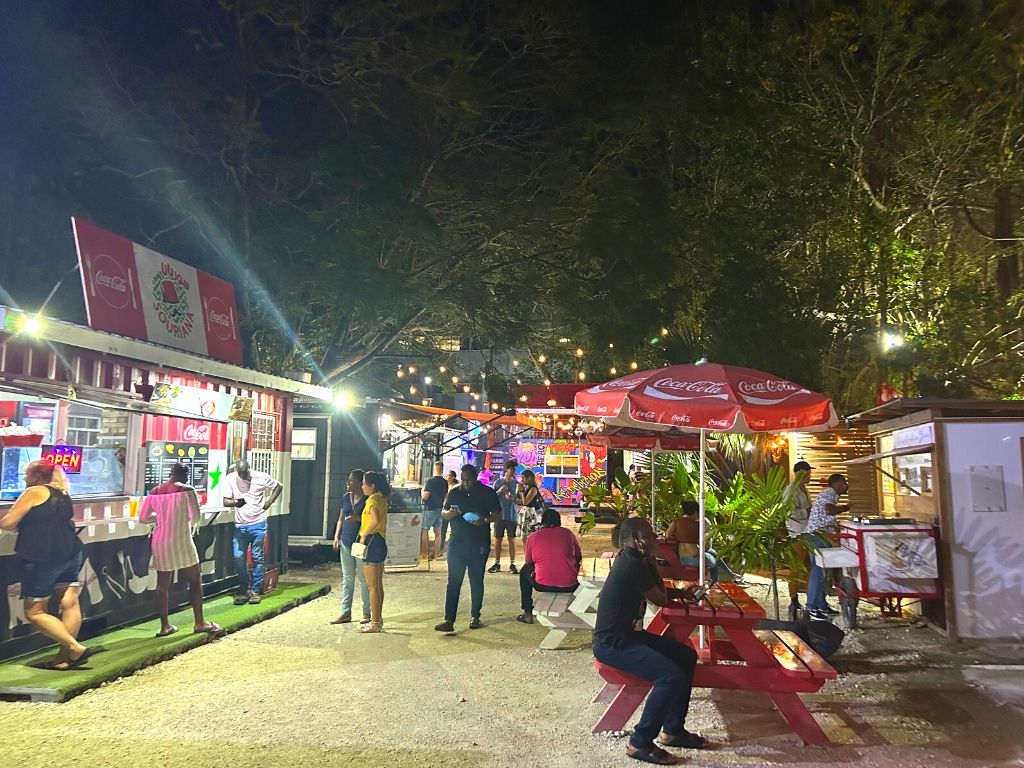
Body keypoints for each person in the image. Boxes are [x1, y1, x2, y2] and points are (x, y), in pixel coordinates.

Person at [593, 517, 708, 764]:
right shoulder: (633, 563)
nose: (657, 538)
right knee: (669, 676)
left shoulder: (633, 558)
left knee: (686, 656)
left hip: (630, 636)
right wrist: (653, 559)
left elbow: (658, 593)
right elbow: (660, 599)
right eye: (651, 535)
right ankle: (639, 742)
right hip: (613, 643)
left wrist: (681, 593)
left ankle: (672, 730)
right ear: (638, 540)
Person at [0, 461, 98, 670]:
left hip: (42, 557)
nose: (25, 479)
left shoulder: (33, 491)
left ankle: (74, 646)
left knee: (34, 612)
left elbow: (8, 523)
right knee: (70, 601)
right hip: (71, 552)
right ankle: (64, 658)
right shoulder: (63, 493)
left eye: (26, 475)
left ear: (36, 476)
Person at [139, 463, 220, 637]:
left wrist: (161, 516)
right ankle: (199, 622)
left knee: (162, 584)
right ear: (185, 475)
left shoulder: (155, 492)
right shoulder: (187, 490)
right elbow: (195, 516)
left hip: (160, 541)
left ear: (171, 474)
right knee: (195, 581)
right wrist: (179, 516)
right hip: (182, 539)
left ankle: (165, 626)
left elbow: (143, 517)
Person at [435, 464, 501, 633]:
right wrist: (448, 515)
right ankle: (449, 619)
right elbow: (443, 512)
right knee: (453, 581)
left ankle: (475, 616)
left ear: (475, 477)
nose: (466, 483)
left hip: (478, 543)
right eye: (463, 480)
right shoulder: (454, 492)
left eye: (469, 480)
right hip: (457, 542)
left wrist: (484, 520)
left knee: (476, 579)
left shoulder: (487, 492)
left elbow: (497, 514)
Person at [222, 460, 283, 605]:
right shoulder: (230, 479)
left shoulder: (260, 477)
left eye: (245, 473)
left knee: (257, 556)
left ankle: (254, 590)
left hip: (258, 524)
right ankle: (244, 589)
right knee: (238, 556)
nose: (243, 477)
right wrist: (236, 502)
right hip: (240, 525)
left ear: (250, 469)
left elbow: (278, 486)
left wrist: (268, 503)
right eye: (240, 474)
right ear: (236, 471)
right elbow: (225, 501)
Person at [517, 509, 582, 623]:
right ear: (559, 521)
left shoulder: (533, 537)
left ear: (542, 522)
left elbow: (529, 561)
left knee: (524, 571)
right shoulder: (568, 533)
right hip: (570, 584)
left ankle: (527, 612)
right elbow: (578, 556)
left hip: (542, 584)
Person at [665, 500, 743, 583]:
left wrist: (679, 536)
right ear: (695, 511)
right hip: (695, 559)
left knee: (713, 554)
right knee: (715, 559)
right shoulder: (697, 525)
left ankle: (727, 577)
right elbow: (706, 547)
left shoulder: (677, 521)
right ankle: (716, 581)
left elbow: (668, 535)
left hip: (682, 558)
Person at [804, 473, 849, 620]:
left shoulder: (830, 494)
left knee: (822, 572)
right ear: (836, 483)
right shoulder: (829, 493)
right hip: (816, 537)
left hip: (820, 536)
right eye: (843, 482)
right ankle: (811, 606)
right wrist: (845, 508)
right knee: (818, 572)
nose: (845, 485)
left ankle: (821, 605)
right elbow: (829, 510)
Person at [331, 470, 370, 625]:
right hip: (346, 540)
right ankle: (345, 611)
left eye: (351, 481)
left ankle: (366, 612)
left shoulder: (368, 500)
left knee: (363, 578)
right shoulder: (346, 497)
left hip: (360, 542)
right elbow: (341, 518)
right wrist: (336, 536)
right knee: (348, 578)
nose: (348, 483)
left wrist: (358, 518)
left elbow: (372, 519)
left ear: (361, 483)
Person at [357, 470, 389, 633]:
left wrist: (363, 536)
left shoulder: (372, 500)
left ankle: (375, 622)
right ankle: (378, 618)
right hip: (380, 541)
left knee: (372, 586)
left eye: (364, 484)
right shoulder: (382, 498)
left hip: (372, 542)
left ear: (372, 486)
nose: (362, 487)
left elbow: (374, 520)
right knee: (377, 584)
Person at [786, 461, 813, 614]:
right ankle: (793, 598)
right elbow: (789, 513)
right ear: (800, 473)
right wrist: (807, 512)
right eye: (808, 473)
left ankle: (812, 598)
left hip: (807, 532)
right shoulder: (791, 491)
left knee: (809, 567)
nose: (810, 476)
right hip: (796, 533)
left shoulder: (804, 489)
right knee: (796, 568)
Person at [489, 459, 520, 574]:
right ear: (507, 469)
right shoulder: (498, 482)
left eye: (515, 470)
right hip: (499, 516)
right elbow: (492, 498)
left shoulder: (516, 484)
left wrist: (511, 496)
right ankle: (497, 563)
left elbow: (519, 499)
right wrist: (500, 491)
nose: (513, 472)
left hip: (512, 515)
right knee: (498, 539)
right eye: (512, 469)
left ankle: (512, 563)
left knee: (512, 539)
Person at [420, 462, 448, 560]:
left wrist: (422, 491)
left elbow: (425, 497)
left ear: (434, 468)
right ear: (442, 469)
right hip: (440, 508)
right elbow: (445, 496)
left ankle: (424, 554)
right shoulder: (445, 482)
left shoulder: (430, 481)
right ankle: (435, 554)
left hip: (430, 509)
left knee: (424, 531)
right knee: (438, 533)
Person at [513, 469, 544, 540]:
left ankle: (528, 551)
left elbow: (525, 502)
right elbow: (522, 501)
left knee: (527, 537)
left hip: (529, 514)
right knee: (524, 538)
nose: (522, 480)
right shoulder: (529, 488)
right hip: (525, 513)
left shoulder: (533, 489)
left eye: (523, 478)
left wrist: (522, 491)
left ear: (529, 478)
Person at [438, 469, 459, 558]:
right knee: (443, 529)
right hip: (445, 509)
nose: (447, 477)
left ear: (453, 477)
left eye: (449, 475)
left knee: (454, 529)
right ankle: (441, 549)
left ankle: (453, 548)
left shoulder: (457, 486)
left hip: (454, 509)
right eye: (446, 475)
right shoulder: (443, 485)